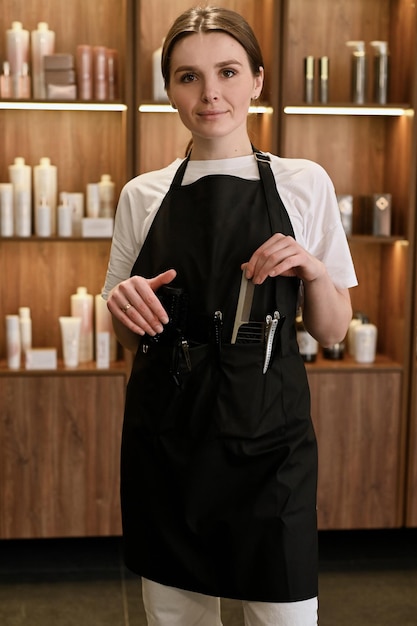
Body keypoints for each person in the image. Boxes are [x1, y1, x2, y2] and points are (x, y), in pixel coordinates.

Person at [102, 5, 357, 625]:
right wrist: (122, 305)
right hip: (170, 447)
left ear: (258, 81)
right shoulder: (144, 194)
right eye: (188, 77)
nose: (210, 93)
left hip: (271, 450)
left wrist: (314, 271)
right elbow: (123, 332)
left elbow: (331, 329)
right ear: (168, 90)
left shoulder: (304, 184)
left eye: (227, 71)